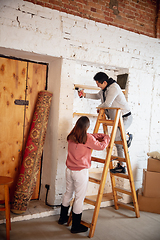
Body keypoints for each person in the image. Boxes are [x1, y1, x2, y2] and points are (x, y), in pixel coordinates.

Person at [58, 116, 110, 233]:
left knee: (68, 193)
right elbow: (101, 146)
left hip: (69, 170)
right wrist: (106, 138)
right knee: (79, 199)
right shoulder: (88, 138)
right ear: (87, 127)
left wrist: (96, 135)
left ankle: (62, 218)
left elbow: (89, 137)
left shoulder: (71, 137)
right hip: (80, 172)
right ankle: (75, 227)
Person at [78, 72, 133, 174]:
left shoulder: (114, 88)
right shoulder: (105, 89)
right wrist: (84, 95)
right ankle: (122, 166)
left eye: (98, 83)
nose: (97, 85)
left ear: (104, 82)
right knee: (118, 142)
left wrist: (100, 108)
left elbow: (107, 103)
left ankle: (128, 137)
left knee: (116, 139)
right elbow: (97, 96)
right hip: (117, 118)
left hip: (125, 118)